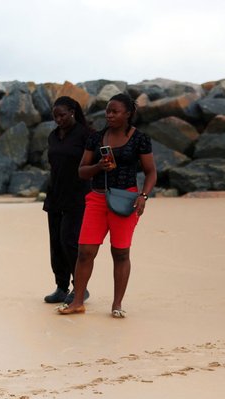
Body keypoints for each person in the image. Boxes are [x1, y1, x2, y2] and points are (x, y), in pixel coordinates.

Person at [57, 93, 157, 318]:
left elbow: (151, 172)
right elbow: (82, 171)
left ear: (128, 114)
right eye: (108, 111)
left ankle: (117, 304)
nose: (109, 115)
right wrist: (99, 167)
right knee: (85, 252)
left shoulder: (140, 139)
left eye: (115, 111)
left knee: (120, 253)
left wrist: (143, 196)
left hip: (126, 200)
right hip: (97, 198)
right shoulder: (96, 138)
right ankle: (78, 301)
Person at [42, 96, 91, 305]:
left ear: (72, 111)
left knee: (69, 242)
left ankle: (80, 287)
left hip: (77, 195)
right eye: (55, 116)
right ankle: (61, 287)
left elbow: (94, 165)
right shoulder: (53, 136)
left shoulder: (86, 134)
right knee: (56, 243)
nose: (59, 119)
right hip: (55, 195)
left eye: (62, 115)